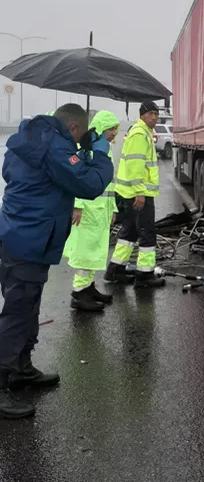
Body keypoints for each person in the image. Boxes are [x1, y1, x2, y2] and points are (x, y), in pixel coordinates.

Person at [0, 104, 113, 419]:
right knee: (17, 311)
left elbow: (51, 175)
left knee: (27, 305)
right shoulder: (55, 146)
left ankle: (20, 368)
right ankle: (1, 381)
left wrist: (79, 157)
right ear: (74, 128)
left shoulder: (32, 140)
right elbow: (88, 185)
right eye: (81, 135)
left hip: (22, 235)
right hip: (29, 238)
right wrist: (99, 154)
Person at [63, 110, 120, 312]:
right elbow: (76, 177)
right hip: (87, 211)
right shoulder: (86, 149)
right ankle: (78, 294)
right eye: (111, 128)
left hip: (100, 211)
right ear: (101, 127)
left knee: (95, 253)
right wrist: (77, 205)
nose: (114, 132)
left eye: (115, 128)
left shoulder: (104, 150)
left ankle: (89, 288)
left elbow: (109, 184)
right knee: (85, 253)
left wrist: (112, 208)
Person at [105, 100, 165, 288]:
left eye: (156, 114)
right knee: (147, 232)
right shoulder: (140, 134)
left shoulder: (143, 132)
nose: (155, 117)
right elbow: (135, 165)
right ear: (142, 115)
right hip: (138, 194)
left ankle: (115, 270)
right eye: (151, 114)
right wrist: (140, 192)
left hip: (130, 193)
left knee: (129, 232)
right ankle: (144, 275)